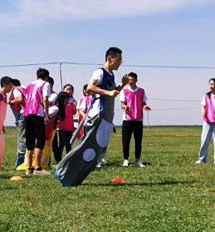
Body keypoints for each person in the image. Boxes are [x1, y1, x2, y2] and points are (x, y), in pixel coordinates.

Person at [55, 48, 123, 187]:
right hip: (97, 115)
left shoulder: (111, 75)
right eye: (118, 60)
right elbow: (90, 88)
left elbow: (113, 93)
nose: (120, 63)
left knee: (98, 152)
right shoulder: (100, 72)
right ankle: (62, 170)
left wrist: (123, 85)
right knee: (86, 147)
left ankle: (73, 178)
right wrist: (107, 93)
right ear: (110, 58)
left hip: (106, 118)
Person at [21, 68, 53, 175]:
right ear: (46, 77)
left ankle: (29, 167)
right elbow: (45, 99)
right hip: (37, 113)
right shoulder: (45, 84)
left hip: (27, 113)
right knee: (40, 140)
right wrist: (47, 113)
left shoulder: (30, 85)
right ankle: (38, 167)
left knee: (29, 141)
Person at [120, 72, 151, 167]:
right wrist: (125, 107)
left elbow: (143, 102)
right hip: (127, 120)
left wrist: (145, 106)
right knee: (126, 141)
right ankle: (126, 160)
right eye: (129, 80)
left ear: (136, 80)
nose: (130, 81)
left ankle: (138, 160)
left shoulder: (141, 91)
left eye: (132, 80)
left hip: (138, 120)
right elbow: (122, 104)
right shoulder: (124, 91)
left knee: (138, 141)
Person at [197, 78, 215, 164]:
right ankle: (201, 159)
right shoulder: (206, 96)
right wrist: (203, 111)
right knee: (204, 141)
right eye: (210, 84)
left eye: (212, 84)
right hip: (207, 121)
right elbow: (203, 105)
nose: (210, 86)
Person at [51, 85, 77, 164]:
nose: (69, 91)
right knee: (61, 143)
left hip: (69, 125)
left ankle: (69, 159)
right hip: (61, 126)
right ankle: (59, 159)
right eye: (67, 89)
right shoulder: (59, 101)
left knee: (68, 143)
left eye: (71, 90)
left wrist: (74, 106)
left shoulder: (73, 100)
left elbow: (74, 112)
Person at [7, 77, 25, 168]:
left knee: (22, 138)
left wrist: (10, 101)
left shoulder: (16, 90)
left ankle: (21, 161)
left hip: (23, 116)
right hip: (32, 114)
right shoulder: (25, 89)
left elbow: (20, 99)